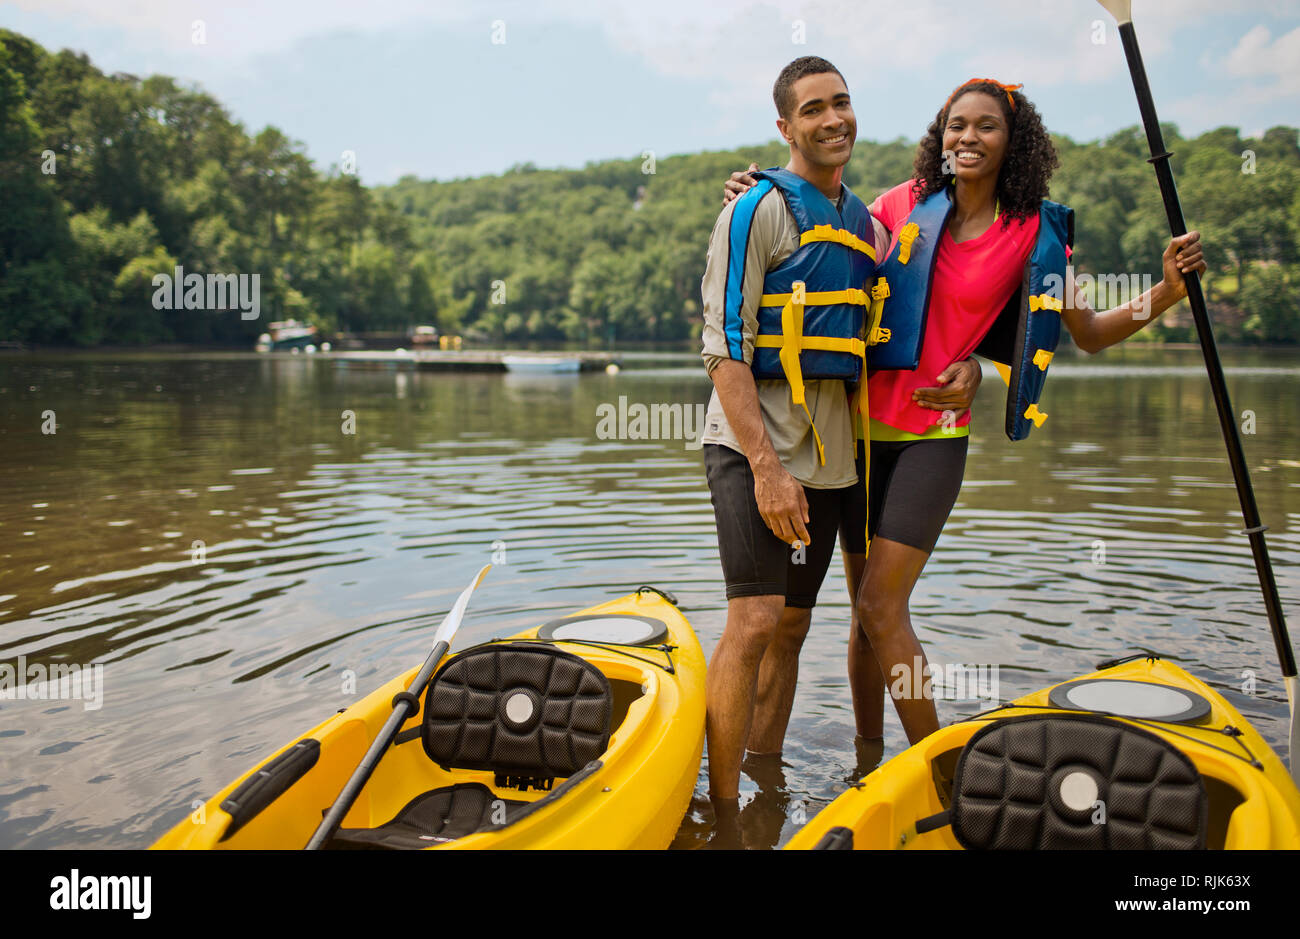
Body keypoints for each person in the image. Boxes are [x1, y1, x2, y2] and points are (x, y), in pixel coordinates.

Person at [722, 77, 1206, 752]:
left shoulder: (1036, 233)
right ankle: (867, 761)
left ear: (1014, 142)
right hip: (853, 435)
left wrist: (1168, 291)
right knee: (862, 620)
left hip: (932, 438)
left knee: (883, 606)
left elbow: (1089, 331)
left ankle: (938, 765)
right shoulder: (901, 206)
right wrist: (756, 190)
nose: (968, 138)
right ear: (940, 136)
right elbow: (820, 228)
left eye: (986, 127)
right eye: (956, 126)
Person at [699, 56, 982, 810]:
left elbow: (932, 311)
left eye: (843, 104)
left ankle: (764, 776)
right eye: (815, 108)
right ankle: (725, 814)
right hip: (751, 445)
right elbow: (724, 347)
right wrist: (765, 467)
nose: (834, 120)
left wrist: (977, 371)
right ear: (786, 126)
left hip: (832, 463)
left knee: (791, 629)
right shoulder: (754, 209)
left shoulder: (864, 224)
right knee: (754, 618)